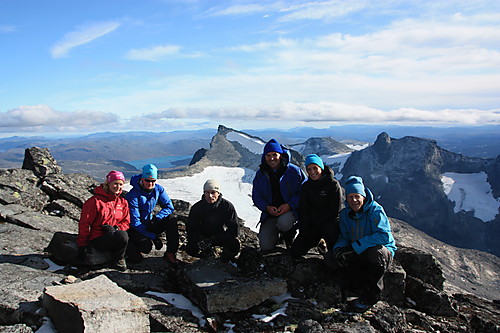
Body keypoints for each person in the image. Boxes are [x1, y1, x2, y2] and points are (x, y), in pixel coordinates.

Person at [324, 175, 396, 313]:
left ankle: (372, 295)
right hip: (358, 251)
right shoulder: (346, 214)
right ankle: (355, 285)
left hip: (379, 252)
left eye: (357, 196)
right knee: (330, 258)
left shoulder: (375, 210)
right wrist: (339, 248)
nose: (354, 200)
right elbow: (344, 236)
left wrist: (356, 245)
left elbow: (384, 236)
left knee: (375, 253)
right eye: (350, 197)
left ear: (363, 196)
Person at [252, 138, 306, 252]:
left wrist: (289, 205)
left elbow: (304, 191)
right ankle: (277, 238)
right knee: (265, 246)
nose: (272, 158)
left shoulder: (294, 171)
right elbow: (256, 196)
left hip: (290, 211)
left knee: (284, 223)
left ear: (281, 155)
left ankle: (289, 236)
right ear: (264, 157)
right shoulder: (261, 174)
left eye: (274, 154)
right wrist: (267, 207)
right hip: (270, 213)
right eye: (268, 155)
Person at [291, 154, 343, 258]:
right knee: (295, 251)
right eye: (309, 169)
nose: (312, 172)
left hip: (329, 225)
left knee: (333, 254)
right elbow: (303, 210)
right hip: (312, 226)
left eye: (315, 168)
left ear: (321, 168)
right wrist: (305, 230)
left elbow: (335, 211)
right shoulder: (306, 186)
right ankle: (318, 244)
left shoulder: (333, 185)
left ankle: (329, 247)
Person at [126, 163, 179, 264]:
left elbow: (169, 207)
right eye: (147, 180)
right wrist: (153, 237)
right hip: (137, 227)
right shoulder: (133, 195)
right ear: (142, 179)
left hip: (150, 223)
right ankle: (134, 248)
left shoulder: (158, 189)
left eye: (153, 181)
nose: (150, 184)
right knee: (146, 247)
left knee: (171, 219)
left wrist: (157, 218)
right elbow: (135, 222)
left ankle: (170, 252)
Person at [77, 170, 130, 271]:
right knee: (122, 236)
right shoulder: (95, 201)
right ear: (108, 184)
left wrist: (116, 228)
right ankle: (117, 260)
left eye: (120, 184)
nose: (118, 187)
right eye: (115, 183)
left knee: (135, 257)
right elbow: (84, 223)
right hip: (97, 238)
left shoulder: (122, 202)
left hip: (114, 235)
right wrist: (82, 244)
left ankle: (115, 254)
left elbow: (126, 221)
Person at [186, 179, 240, 262]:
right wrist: (199, 240)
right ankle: (204, 257)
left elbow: (234, 230)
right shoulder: (197, 208)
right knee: (190, 248)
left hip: (220, 237)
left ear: (218, 193)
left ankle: (223, 260)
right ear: (204, 193)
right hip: (202, 238)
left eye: (213, 192)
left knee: (235, 244)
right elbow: (191, 229)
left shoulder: (227, 206)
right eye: (207, 192)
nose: (210, 196)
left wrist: (213, 240)